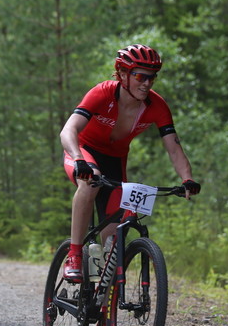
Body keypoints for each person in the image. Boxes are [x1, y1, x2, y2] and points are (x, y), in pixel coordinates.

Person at [59, 43, 200, 282]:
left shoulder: (157, 106)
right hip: (83, 151)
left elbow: (174, 148)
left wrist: (187, 178)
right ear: (123, 74)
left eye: (152, 77)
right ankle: (74, 254)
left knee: (113, 244)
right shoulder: (102, 93)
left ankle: (103, 307)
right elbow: (68, 130)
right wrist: (79, 159)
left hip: (115, 160)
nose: (147, 83)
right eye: (140, 76)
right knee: (90, 184)